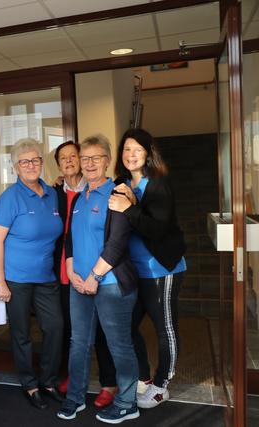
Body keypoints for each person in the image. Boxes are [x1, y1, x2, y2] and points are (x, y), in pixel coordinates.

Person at [56, 134, 139, 424]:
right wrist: (70, 270)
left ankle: (128, 403)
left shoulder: (118, 193)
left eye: (96, 157)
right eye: (85, 157)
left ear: (107, 161)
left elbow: (117, 243)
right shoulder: (79, 197)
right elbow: (70, 239)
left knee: (119, 345)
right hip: (79, 283)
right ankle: (75, 398)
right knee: (78, 342)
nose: (89, 163)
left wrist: (93, 276)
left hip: (111, 284)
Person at [110, 128, 187, 409]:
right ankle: (143, 377)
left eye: (137, 150)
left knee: (164, 327)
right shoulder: (121, 182)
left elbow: (156, 229)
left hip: (162, 269)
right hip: (135, 271)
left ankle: (161, 384)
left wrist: (129, 207)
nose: (131, 155)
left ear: (148, 154)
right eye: (127, 150)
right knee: (127, 326)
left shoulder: (158, 185)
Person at [0, 138, 64, 409]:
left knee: (55, 328)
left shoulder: (52, 193)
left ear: (42, 163)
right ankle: (30, 384)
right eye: (24, 161)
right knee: (22, 333)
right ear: (16, 168)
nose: (31, 165)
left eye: (35, 160)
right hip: (17, 279)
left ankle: (48, 380)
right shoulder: (10, 198)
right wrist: (0, 282)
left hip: (46, 277)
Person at [52, 141, 118, 409]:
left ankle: (108, 383)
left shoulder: (101, 190)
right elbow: (65, 234)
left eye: (74, 156)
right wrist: (68, 265)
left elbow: (116, 237)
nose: (70, 161)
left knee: (103, 332)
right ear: (58, 164)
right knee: (75, 330)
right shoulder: (54, 190)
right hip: (68, 267)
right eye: (63, 158)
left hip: (100, 269)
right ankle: (74, 378)